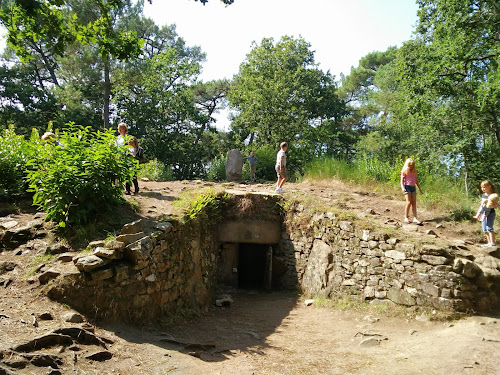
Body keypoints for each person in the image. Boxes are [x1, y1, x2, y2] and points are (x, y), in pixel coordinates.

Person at [474, 180, 499, 247]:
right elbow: (482, 205)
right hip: (484, 212)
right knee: (484, 229)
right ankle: (489, 242)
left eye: (484, 187)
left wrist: (489, 201)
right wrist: (479, 213)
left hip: (490, 213)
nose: (483, 189)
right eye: (482, 187)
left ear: (489, 187)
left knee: (489, 228)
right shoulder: (483, 195)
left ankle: (492, 242)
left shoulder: (493, 195)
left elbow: (494, 205)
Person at [400, 158, 423, 224]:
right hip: (406, 187)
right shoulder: (404, 171)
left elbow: (416, 181)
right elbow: (401, 181)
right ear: (407, 165)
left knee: (414, 203)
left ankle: (415, 218)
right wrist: (402, 187)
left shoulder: (414, 171)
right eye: (410, 165)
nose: (411, 167)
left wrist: (419, 189)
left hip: (413, 187)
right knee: (409, 202)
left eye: (412, 165)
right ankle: (406, 217)